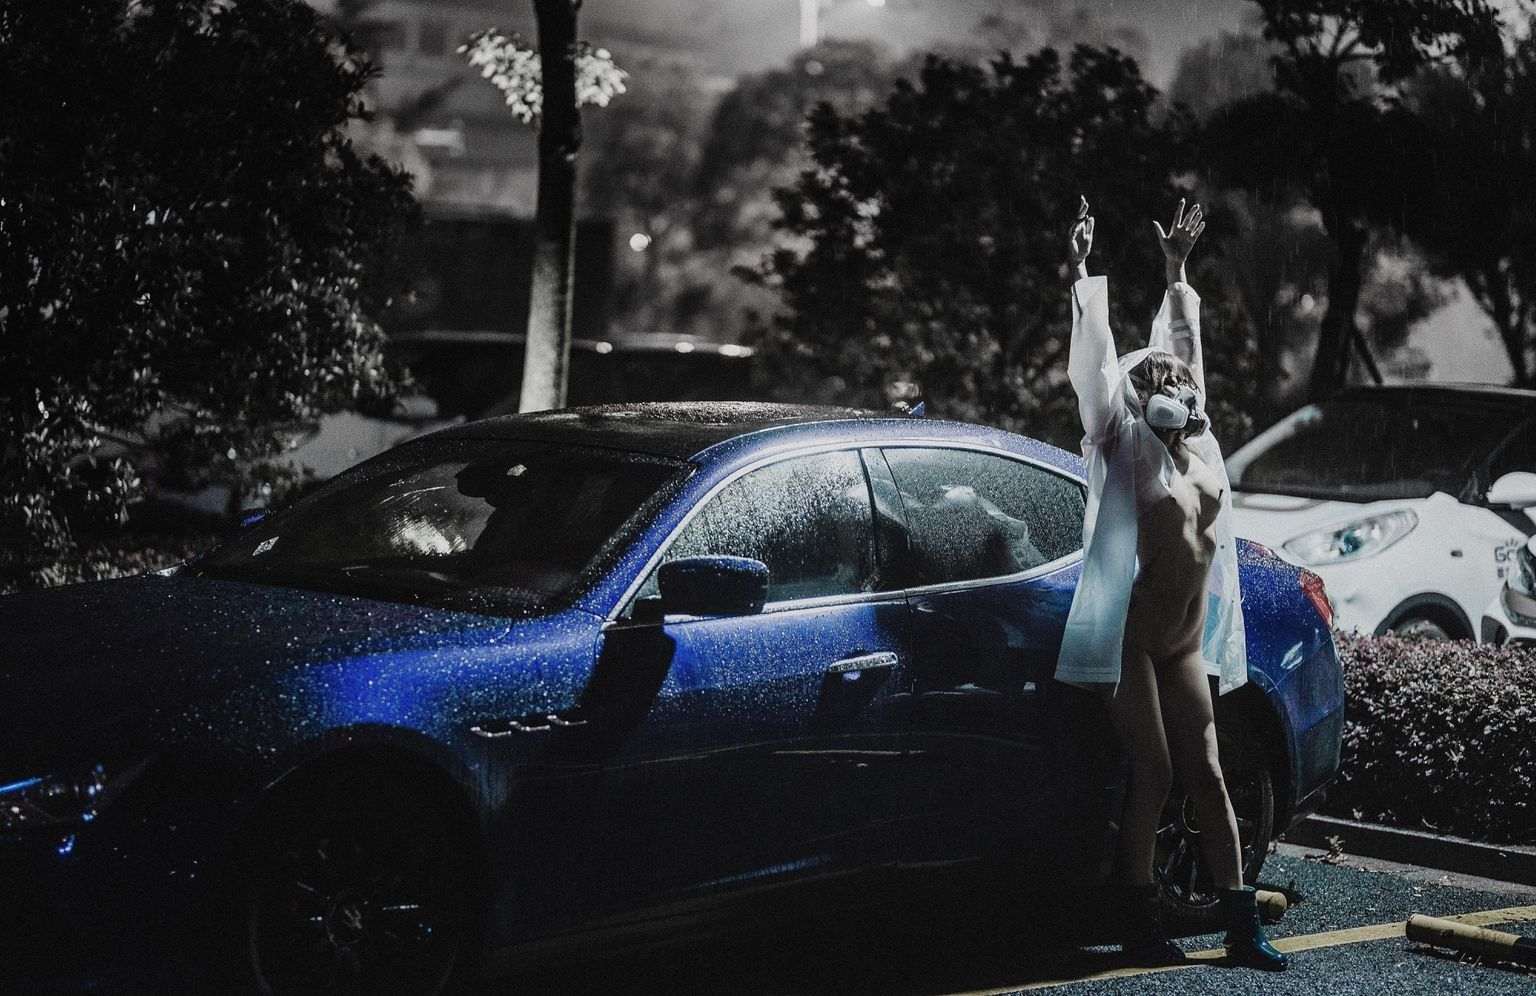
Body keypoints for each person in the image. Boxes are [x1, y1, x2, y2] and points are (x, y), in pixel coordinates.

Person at [1055, 195, 1287, 972]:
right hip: (1129, 639)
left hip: (1184, 641)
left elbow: (1183, 346)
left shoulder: (1203, 450)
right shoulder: (1121, 444)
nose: (1177, 389)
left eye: (1180, 386)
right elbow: (1096, 373)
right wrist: (1082, 273)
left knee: (1208, 775)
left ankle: (1241, 925)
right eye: (1159, 383)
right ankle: (1137, 916)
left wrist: (1177, 272)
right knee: (1152, 771)